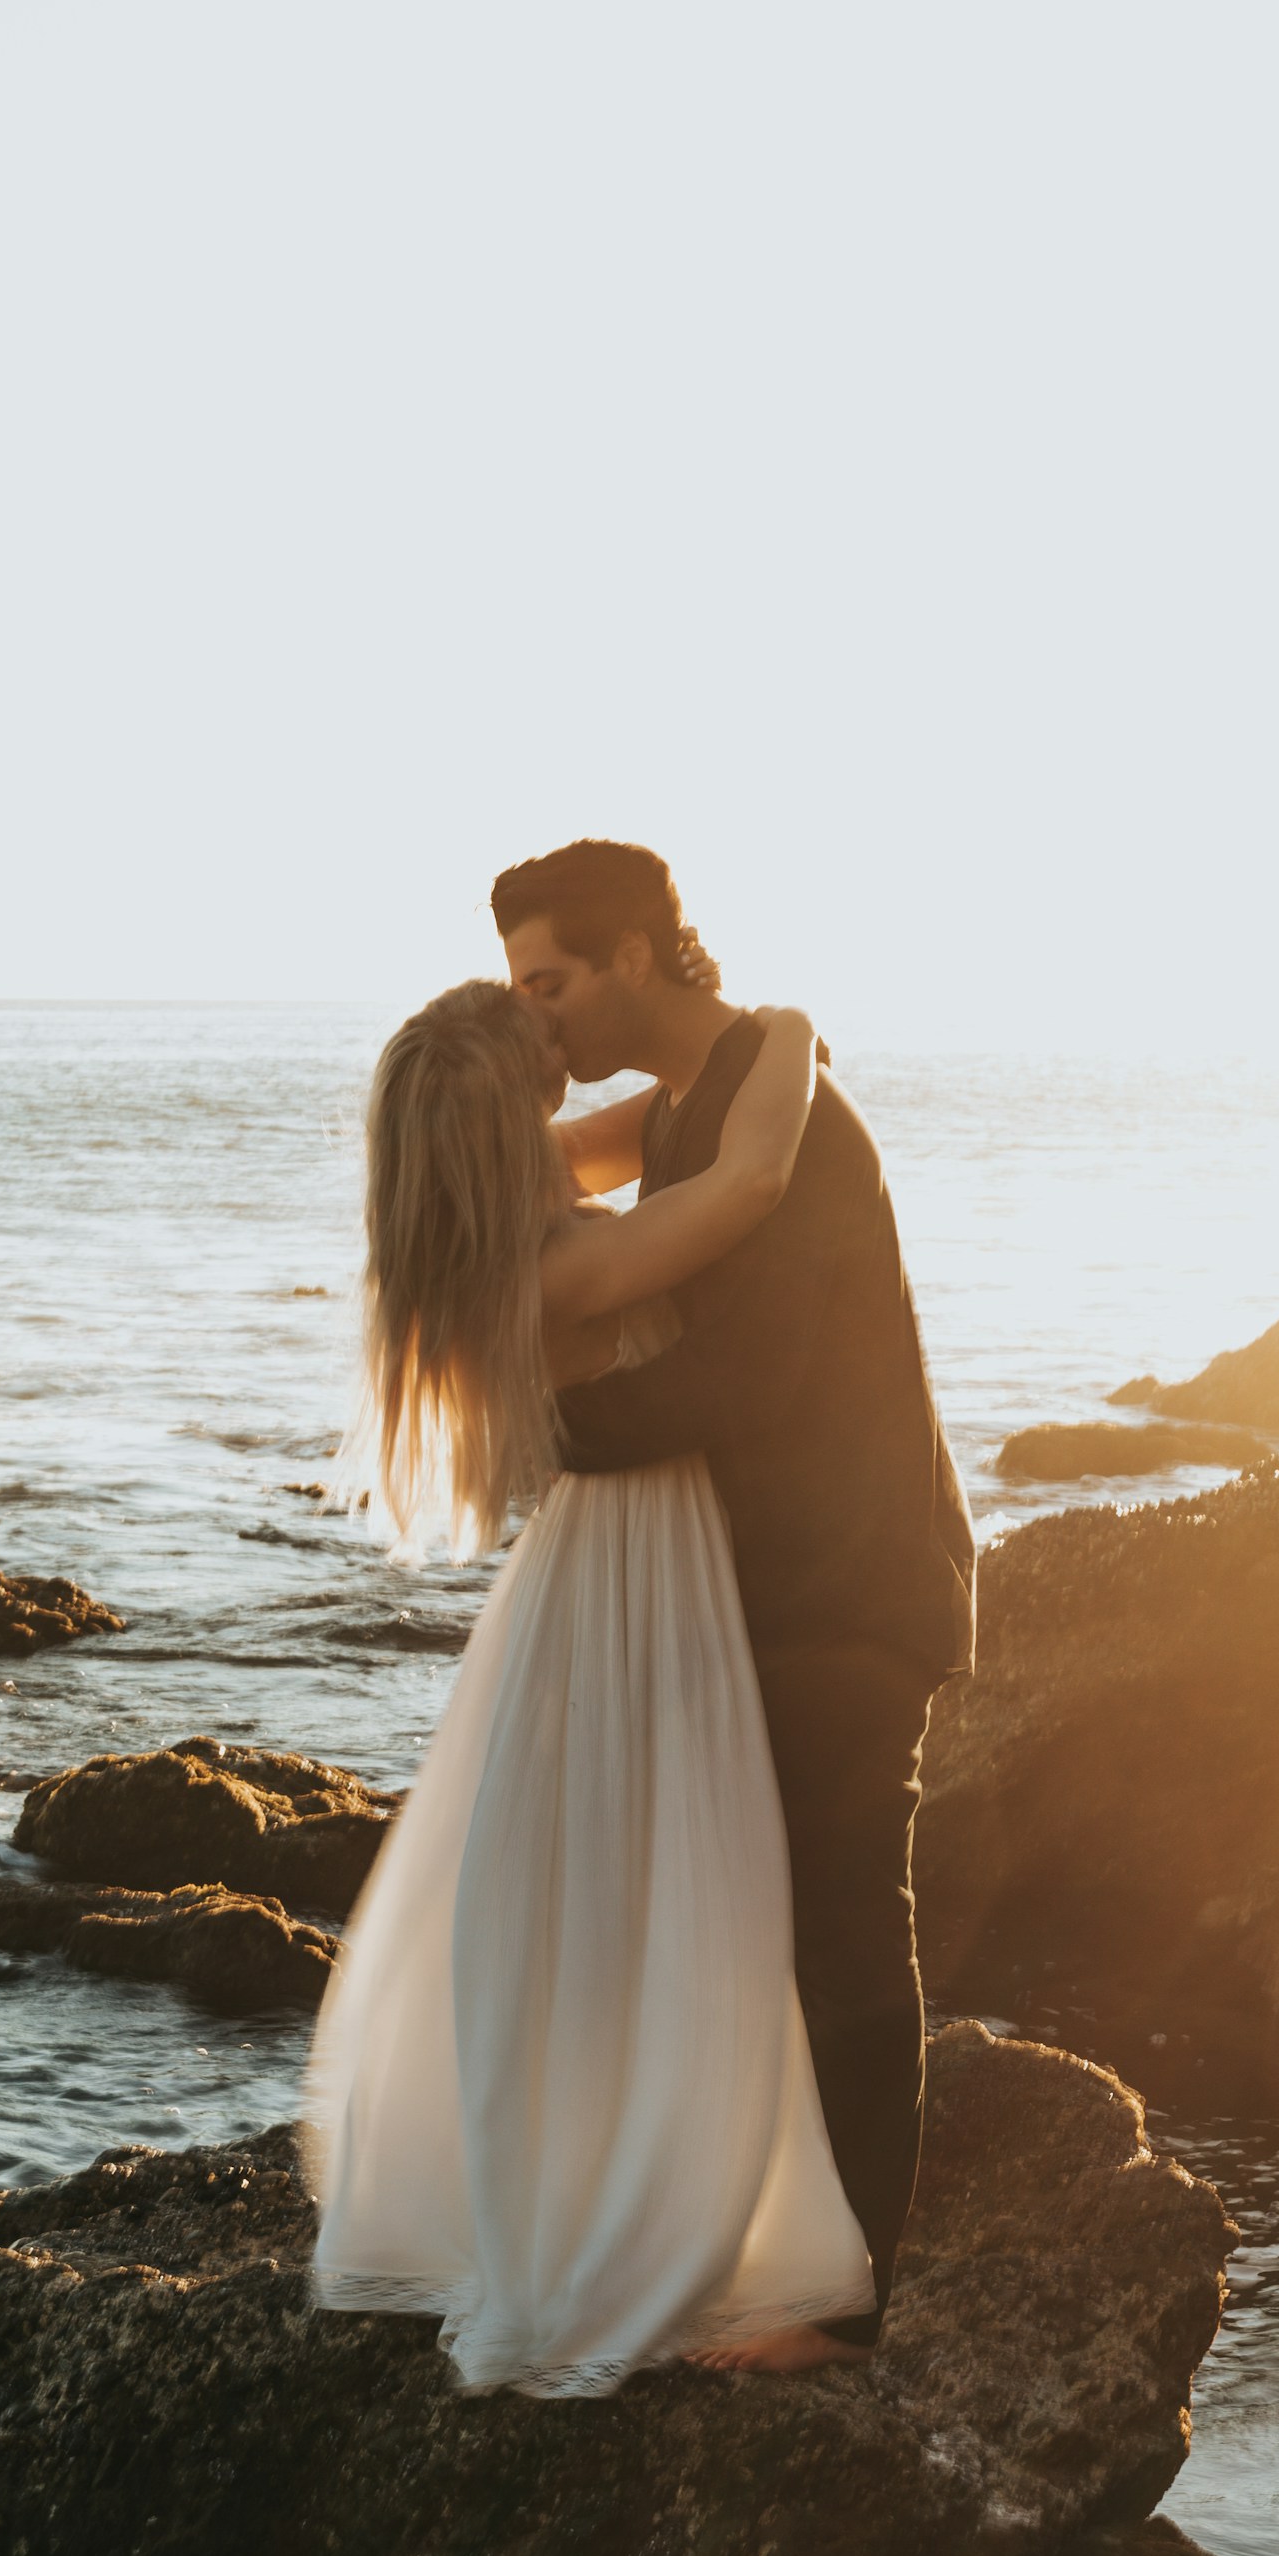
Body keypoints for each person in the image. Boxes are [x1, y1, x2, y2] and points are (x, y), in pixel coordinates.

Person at [301, 968, 878, 2396]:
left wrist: (670, 1065)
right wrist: (790, 1030)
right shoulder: (560, 1265)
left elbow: (641, 1128)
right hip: (638, 1572)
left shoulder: (489, 1223)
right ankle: (626, 2216)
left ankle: (608, 2170)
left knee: (583, 1881)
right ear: (512, 1110)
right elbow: (745, 1180)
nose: (562, 1043)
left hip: (603, 1568)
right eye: (538, 1042)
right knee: (662, 1884)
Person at [500, 840, 976, 2368]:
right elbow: (518, 1171)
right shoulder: (708, 1101)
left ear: (636, 953)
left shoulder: (795, 1123)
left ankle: (849, 2312)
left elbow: (747, 1377)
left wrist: (546, 1432)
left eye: (550, 984)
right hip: (761, 1580)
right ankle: (744, 2254)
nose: (540, 1022)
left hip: (849, 1582)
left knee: (842, 1929)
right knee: (740, 1933)